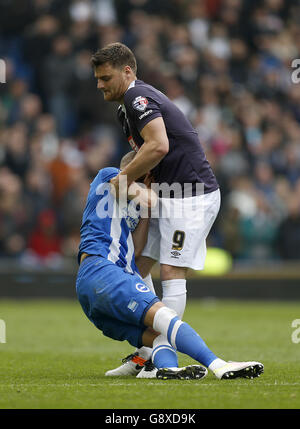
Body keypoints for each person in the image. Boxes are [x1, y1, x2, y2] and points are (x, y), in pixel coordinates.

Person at [90, 42, 222, 376]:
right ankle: (148, 354)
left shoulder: (137, 99)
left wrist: (123, 178)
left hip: (191, 195)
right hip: (168, 193)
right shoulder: (126, 109)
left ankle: (163, 360)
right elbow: (148, 156)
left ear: (127, 71)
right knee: (139, 265)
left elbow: (159, 145)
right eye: (97, 78)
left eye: (105, 77)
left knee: (171, 272)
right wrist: (134, 177)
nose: (100, 85)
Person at [76, 154, 264, 380]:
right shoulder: (109, 176)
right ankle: (219, 364)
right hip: (102, 270)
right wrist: (159, 189)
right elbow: (149, 199)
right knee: (166, 317)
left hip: (92, 289)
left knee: (156, 335)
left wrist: (145, 211)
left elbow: (136, 251)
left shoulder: (134, 206)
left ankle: (161, 369)